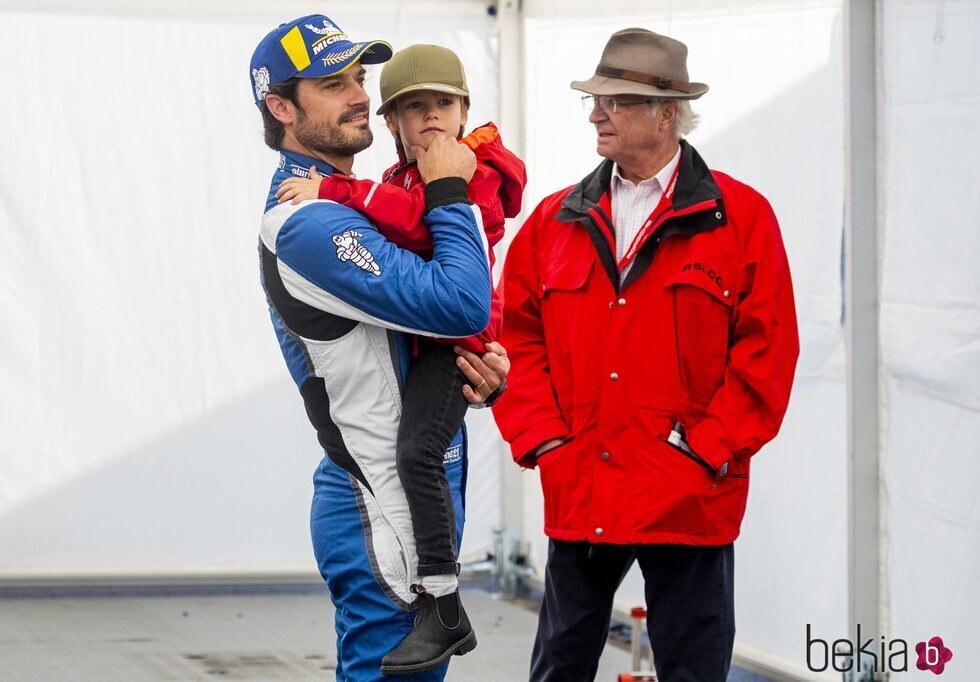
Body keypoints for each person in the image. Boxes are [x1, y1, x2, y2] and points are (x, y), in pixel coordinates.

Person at [491, 28, 800, 681]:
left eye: (617, 101)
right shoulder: (553, 221)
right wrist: (545, 439)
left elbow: (766, 356)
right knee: (562, 664)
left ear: (668, 113)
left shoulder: (741, 219)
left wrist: (704, 451)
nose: (597, 113)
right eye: (595, 99)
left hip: (688, 494)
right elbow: (516, 336)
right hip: (584, 483)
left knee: (691, 666)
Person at [249, 15, 509, 681]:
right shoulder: (307, 220)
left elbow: (438, 325)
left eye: (360, 78)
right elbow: (459, 301)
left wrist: (480, 365)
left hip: (401, 487)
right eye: (334, 84)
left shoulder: (369, 199)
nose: (361, 95)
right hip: (380, 498)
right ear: (281, 107)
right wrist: (452, 184)